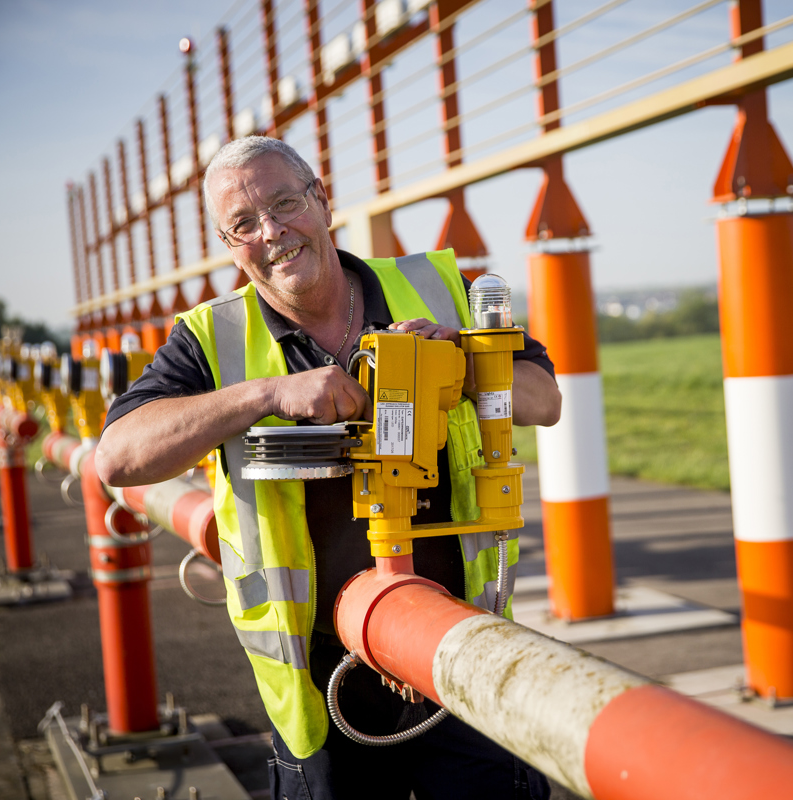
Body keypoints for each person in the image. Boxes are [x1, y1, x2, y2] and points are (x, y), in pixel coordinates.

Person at [95, 135, 560, 800]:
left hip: (461, 654)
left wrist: (458, 359)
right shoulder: (212, 338)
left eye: (286, 204)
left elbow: (543, 399)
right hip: (319, 686)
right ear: (230, 245)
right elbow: (118, 456)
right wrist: (265, 395)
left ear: (324, 202)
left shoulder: (436, 290)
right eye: (244, 225)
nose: (273, 232)